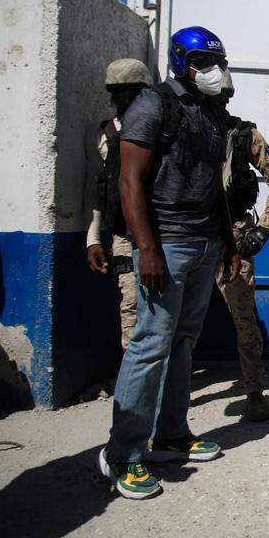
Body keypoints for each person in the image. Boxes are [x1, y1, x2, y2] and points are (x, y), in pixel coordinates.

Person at [98, 25, 240, 500]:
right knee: (151, 342)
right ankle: (123, 452)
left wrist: (229, 243)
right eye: (202, 64)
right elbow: (130, 182)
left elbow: (214, 186)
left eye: (217, 63)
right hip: (166, 244)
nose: (211, 72)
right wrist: (149, 249)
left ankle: (172, 433)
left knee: (183, 340)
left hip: (204, 244)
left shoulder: (212, 114)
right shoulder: (152, 105)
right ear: (181, 63)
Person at [214, 69, 269, 423]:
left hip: (235, 233)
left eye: (221, 96)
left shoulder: (244, 135)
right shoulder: (179, 131)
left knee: (244, 320)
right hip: (190, 235)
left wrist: (264, 228)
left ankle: (254, 392)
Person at [85, 58, 152, 350]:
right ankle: (132, 382)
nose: (123, 99)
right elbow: (98, 189)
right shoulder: (105, 134)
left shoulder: (158, 129)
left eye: (131, 92)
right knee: (131, 305)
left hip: (159, 232)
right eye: (118, 92)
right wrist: (92, 238)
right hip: (123, 233)